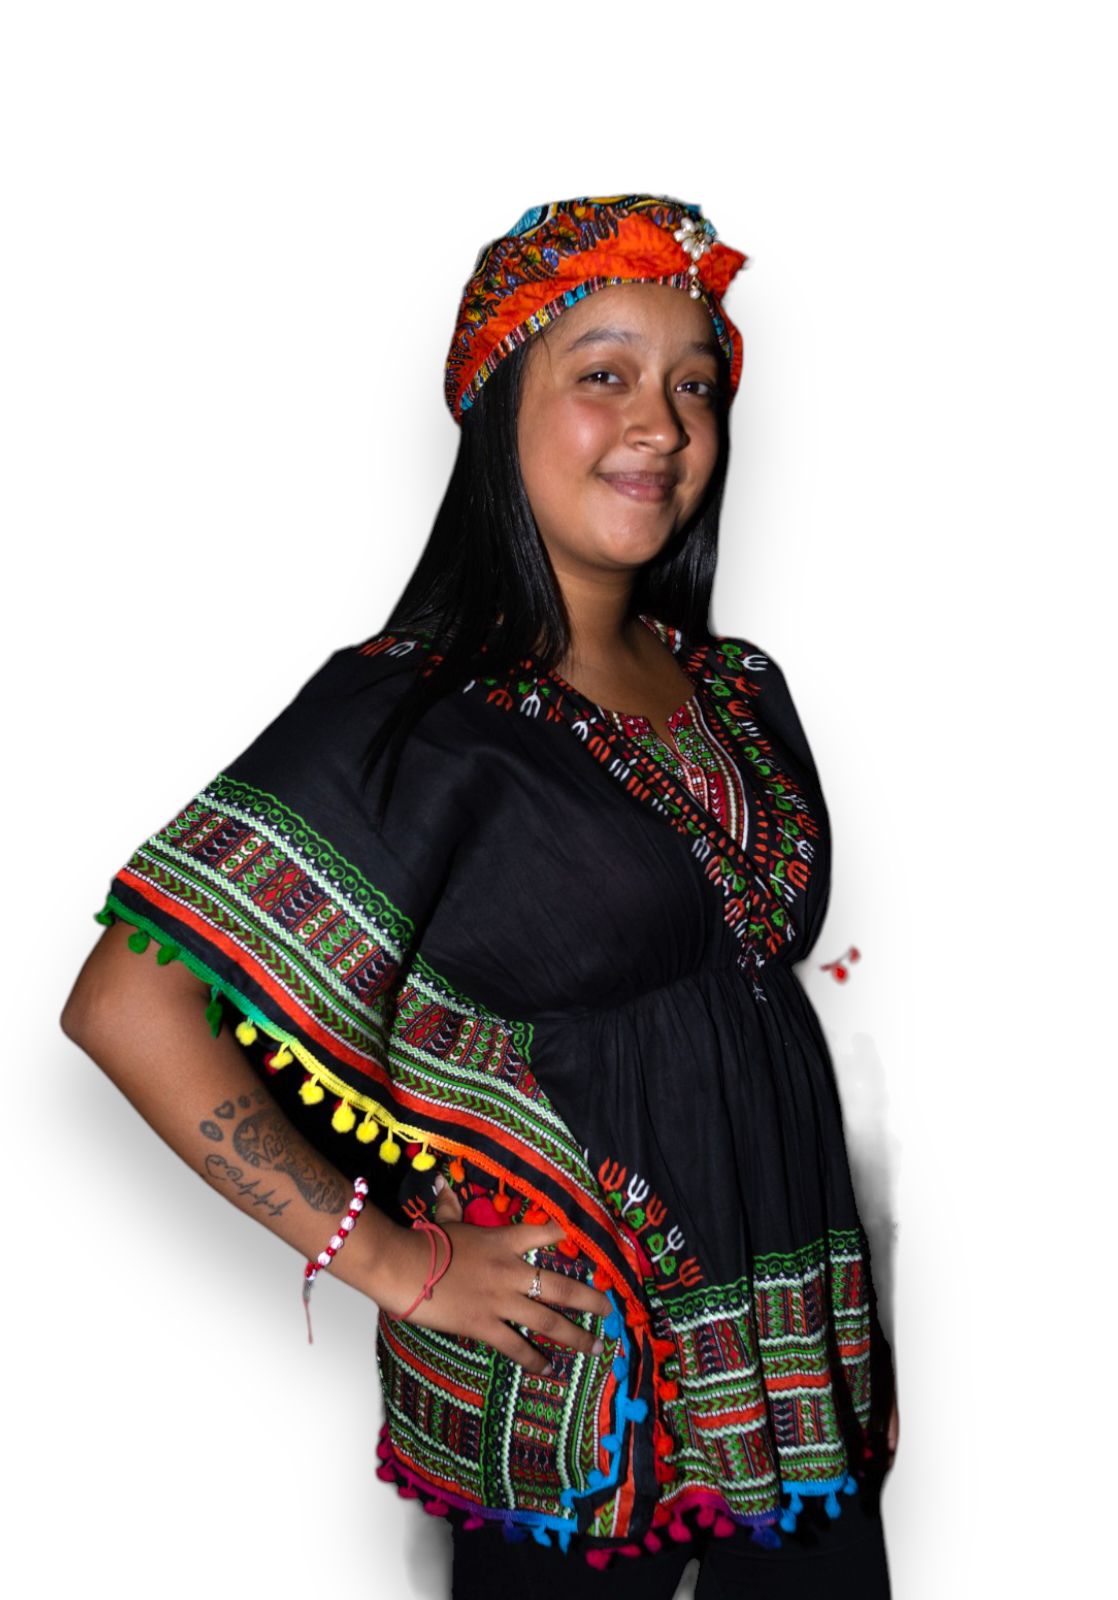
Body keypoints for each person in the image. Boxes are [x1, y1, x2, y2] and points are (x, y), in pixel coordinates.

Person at [61, 193, 899, 1598]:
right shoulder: (413, 711)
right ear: (499, 405)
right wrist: (389, 1259)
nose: (662, 424)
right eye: (604, 374)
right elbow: (125, 1005)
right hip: (573, 1400)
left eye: (696, 384)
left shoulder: (739, 689)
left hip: (789, 1388)